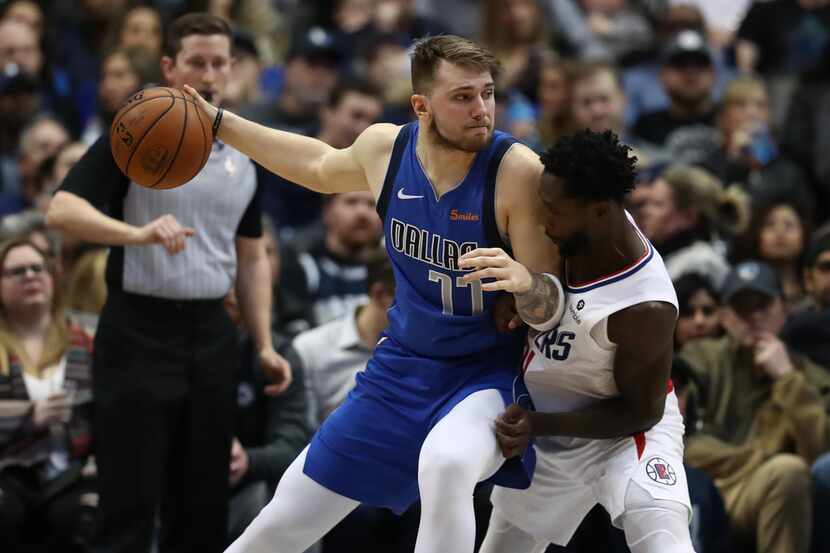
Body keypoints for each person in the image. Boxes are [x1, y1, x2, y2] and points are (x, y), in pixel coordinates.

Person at [184, 33, 561, 553]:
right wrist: (220, 123)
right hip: (401, 369)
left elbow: (550, 311)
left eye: (488, 93)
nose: (482, 110)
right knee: (279, 525)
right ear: (422, 107)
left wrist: (527, 286)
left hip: (487, 374)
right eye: (462, 97)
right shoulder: (387, 147)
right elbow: (316, 166)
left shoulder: (517, 172)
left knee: (447, 465)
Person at [45, 13, 290, 553]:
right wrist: (136, 233)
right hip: (137, 330)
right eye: (196, 62)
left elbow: (250, 259)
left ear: (233, 69)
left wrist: (266, 343)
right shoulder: (136, 128)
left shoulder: (247, 154)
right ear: (169, 66)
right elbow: (62, 210)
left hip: (212, 335)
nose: (208, 74)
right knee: (127, 503)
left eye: (218, 63)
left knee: (202, 505)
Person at [464, 130, 694, 553]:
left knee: (662, 533)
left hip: (621, 432)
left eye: (553, 211)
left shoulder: (645, 306)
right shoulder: (570, 229)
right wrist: (511, 300)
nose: (541, 218)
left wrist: (537, 425)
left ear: (600, 212)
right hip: (549, 430)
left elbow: (641, 412)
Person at [680, 260, 830, 553]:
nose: (753, 317)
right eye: (742, 308)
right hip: (709, 488)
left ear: (785, 310)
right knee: (784, 467)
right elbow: (688, 444)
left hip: (773, 492)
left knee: (788, 472)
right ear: (724, 316)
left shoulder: (812, 377)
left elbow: (821, 460)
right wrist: (767, 455)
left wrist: (788, 381)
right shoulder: (699, 359)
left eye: (763, 306)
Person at [0, 238, 96, 553]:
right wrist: (29, 415)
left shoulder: (86, 337)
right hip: (10, 470)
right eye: (16, 272)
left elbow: (114, 406)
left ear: (52, 277)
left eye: (37, 268)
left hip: (76, 469)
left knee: (81, 517)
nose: (30, 276)